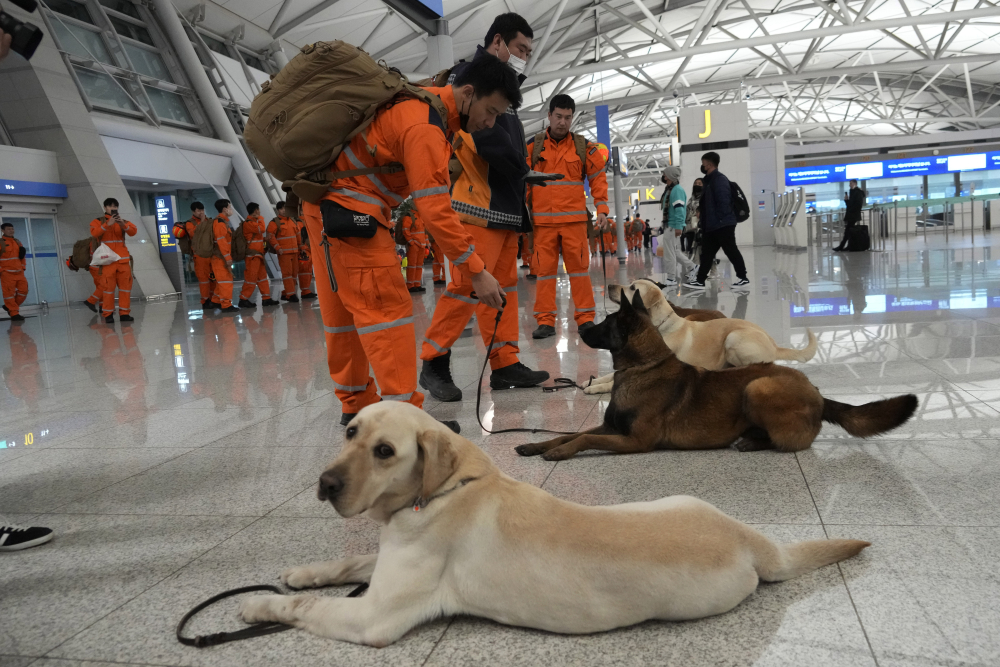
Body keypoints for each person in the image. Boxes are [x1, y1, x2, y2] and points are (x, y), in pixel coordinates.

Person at [299, 53, 518, 424]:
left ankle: (356, 404)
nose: (490, 123)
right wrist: (476, 270)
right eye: (491, 111)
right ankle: (407, 421)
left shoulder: (420, 104)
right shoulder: (424, 126)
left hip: (322, 208)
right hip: (352, 211)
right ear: (468, 93)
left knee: (343, 315)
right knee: (387, 311)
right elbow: (435, 209)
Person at [419, 13, 550, 401]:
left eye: (529, 51)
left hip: (505, 207)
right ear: (498, 42)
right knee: (466, 287)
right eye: (521, 48)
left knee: (503, 289)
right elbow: (487, 140)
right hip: (479, 205)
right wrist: (524, 168)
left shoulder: (504, 89)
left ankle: (505, 363)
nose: (524, 56)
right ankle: (433, 361)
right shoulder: (471, 78)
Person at [525, 93, 608, 339]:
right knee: (544, 273)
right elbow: (520, 179)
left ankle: (586, 319)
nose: (562, 122)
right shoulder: (532, 148)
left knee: (580, 272)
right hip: (543, 224)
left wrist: (602, 209)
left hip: (574, 223)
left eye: (568, 117)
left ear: (572, 118)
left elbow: (598, 178)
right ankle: (545, 322)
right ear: (549, 115)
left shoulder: (584, 148)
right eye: (558, 116)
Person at [683, 152, 749, 290]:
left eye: (703, 163)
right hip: (712, 225)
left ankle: (743, 277)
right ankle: (700, 280)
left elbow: (724, 202)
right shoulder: (709, 181)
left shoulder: (719, 180)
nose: (702, 166)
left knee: (730, 250)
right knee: (707, 254)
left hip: (722, 224)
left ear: (709, 164)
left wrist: (719, 220)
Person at [90, 198, 137, 323]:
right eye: (110, 206)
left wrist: (122, 225)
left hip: (123, 261)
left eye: (115, 206)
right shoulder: (98, 221)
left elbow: (133, 232)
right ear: (105, 207)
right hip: (107, 262)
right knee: (108, 290)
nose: (113, 208)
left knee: (125, 289)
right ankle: (108, 314)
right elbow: (94, 234)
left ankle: (124, 314)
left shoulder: (123, 221)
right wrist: (107, 224)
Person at [172, 202, 218, 309]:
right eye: (198, 211)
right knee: (204, 280)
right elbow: (195, 234)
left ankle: (214, 299)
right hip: (200, 255)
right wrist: (202, 221)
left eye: (202, 210)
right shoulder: (190, 223)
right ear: (193, 211)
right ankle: (205, 300)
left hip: (212, 254)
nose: (201, 212)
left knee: (213, 278)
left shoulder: (209, 221)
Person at [659, 166, 697, 285]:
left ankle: (671, 278)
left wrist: (678, 226)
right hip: (670, 225)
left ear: (670, 176)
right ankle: (692, 267)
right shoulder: (670, 189)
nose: (663, 176)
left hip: (672, 226)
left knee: (669, 253)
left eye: (665, 174)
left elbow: (679, 210)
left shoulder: (676, 190)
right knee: (675, 251)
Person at [238, 202, 279, 308]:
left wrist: (264, 239)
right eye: (258, 210)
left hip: (258, 255)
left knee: (262, 277)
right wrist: (260, 218)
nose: (260, 212)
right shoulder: (249, 223)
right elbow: (262, 229)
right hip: (252, 256)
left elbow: (256, 238)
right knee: (251, 278)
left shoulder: (253, 223)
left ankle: (266, 298)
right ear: (256, 210)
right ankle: (243, 299)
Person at [267, 201, 304, 302]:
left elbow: (298, 235)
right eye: (281, 209)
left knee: (294, 273)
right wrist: (278, 247)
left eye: (285, 208)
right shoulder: (274, 222)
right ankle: (291, 294)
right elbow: (270, 236)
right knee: (287, 274)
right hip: (284, 253)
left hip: (295, 252)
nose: (283, 211)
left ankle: (286, 293)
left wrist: (301, 247)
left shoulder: (292, 221)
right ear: (278, 210)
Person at [209, 199, 240, 314]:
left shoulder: (222, 222)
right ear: (224, 209)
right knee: (226, 281)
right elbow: (221, 242)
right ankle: (226, 305)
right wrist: (228, 258)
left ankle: (216, 301)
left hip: (219, 257)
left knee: (222, 281)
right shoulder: (220, 223)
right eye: (229, 207)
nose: (231, 209)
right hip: (220, 258)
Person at [1, 222, 28, 322]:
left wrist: (23, 267)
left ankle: (10, 307)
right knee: (9, 294)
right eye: (8, 229)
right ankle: (14, 313)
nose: (11, 231)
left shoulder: (17, 242)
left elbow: (22, 257)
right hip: (7, 273)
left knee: (24, 291)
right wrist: (1, 271)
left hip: (19, 272)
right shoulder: (1, 243)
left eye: (12, 229)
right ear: (2, 230)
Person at [292, 203, 317, 299]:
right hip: (305, 249)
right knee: (305, 270)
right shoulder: (300, 222)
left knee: (308, 270)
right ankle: (305, 290)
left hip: (308, 249)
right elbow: (300, 237)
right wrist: (302, 247)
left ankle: (306, 290)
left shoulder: (305, 221)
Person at [834, 179, 865, 251]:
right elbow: (850, 204)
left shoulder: (857, 192)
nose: (849, 185)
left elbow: (856, 205)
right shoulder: (853, 192)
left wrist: (850, 207)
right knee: (849, 231)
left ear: (855, 183)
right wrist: (846, 200)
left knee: (847, 231)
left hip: (853, 215)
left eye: (851, 183)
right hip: (851, 214)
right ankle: (849, 246)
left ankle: (841, 246)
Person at [402, 208, 428, 293]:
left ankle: (417, 284)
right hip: (414, 245)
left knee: (419, 265)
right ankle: (410, 285)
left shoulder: (421, 216)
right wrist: (411, 242)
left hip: (421, 245)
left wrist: (427, 242)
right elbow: (405, 230)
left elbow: (424, 231)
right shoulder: (409, 216)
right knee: (412, 265)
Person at [682, 178, 703, 254]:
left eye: (699, 184)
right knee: (690, 249)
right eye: (695, 183)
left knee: (702, 249)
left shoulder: (705, 198)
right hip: (690, 228)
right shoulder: (690, 200)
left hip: (701, 228)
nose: (697, 185)